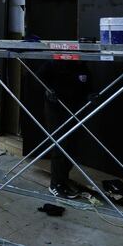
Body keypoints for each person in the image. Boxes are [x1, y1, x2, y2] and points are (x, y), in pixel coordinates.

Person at [38, 59, 91, 199]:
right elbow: (39, 76)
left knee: (72, 147)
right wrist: (48, 90)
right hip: (56, 109)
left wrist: (90, 94)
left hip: (74, 108)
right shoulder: (55, 63)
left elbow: (87, 82)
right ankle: (55, 184)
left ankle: (63, 179)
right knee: (60, 145)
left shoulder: (81, 65)